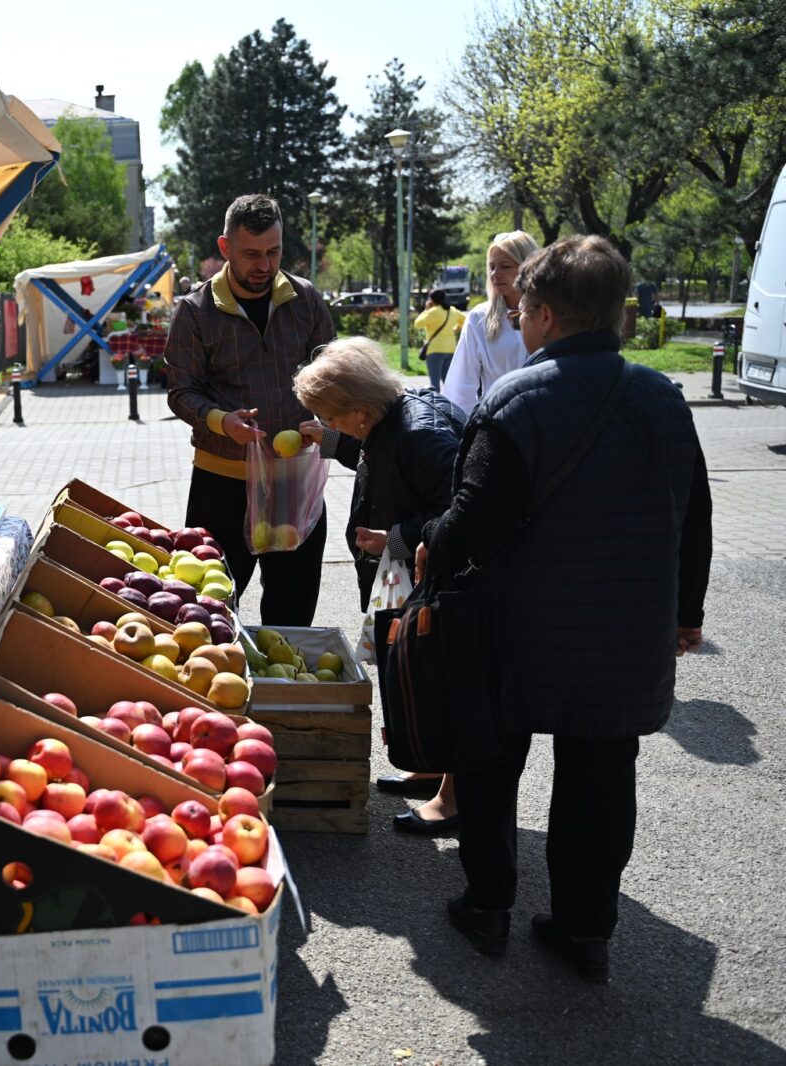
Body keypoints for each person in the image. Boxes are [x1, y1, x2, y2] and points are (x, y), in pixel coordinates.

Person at [417, 235, 712, 982]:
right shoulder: (665, 399)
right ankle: (587, 929)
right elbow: (696, 517)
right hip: (624, 631)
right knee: (602, 776)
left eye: (521, 312)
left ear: (544, 315)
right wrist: (686, 614)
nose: (516, 323)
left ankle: (488, 906)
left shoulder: (515, 401)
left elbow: (473, 518)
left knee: (488, 762)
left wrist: (427, 544)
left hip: (516, 629)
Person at [291, 338, 465, 832]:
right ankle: (430, 765)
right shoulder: (393, 417)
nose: (331, 425)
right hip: (410, 574)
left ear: (361, 411)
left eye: (332, 418)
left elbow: (460, 512)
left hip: (439, 580)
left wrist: (397, 537)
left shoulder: (419, 435)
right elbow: (373, 453)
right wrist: (327, 441)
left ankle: (454, 799)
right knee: (418, 674)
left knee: (443, 679)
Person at [164, 194, 337, 621]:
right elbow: (180, 392)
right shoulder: (194, 310)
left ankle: (285, 690)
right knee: (211, 613)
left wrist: (328, 425)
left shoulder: (306, 299)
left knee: (293, 614)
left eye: (273, 252)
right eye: (252, 254)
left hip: (292, 484)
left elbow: (334, 374)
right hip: (221, 485)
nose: (264, 265)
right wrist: (223, 422)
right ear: (225, 248)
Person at [441, 231, 537, 417]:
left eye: (505, 266)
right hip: (496, 424)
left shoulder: (552, 314)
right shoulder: (479, 317)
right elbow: (461, 384)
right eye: (491, 267)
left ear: (528, 267)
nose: (495, 274)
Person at [413, 288, 466, 392]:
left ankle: (436, 406)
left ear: (432, 300)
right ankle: (450, 405)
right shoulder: (452, 311)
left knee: (435, 384)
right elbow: (465, 321)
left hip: (435, 350)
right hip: (451, 349)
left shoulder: (433, 312)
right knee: (448, 382)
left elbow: (417, 324)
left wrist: (426, 310)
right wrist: (455, 328)